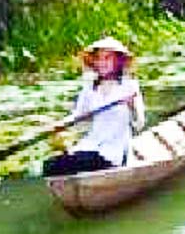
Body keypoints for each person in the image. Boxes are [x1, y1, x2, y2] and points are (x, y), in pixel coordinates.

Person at [43, 37, 146, 176]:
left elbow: (139, 124)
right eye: (99, 58)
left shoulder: (129, 86)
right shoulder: (90, 87)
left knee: (83, 162)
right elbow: (78, 117)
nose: (102, 63)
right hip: (90, 145)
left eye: (108, 58)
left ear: (118, 61)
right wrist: (61, 124)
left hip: (114, 151)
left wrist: (132, 105)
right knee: (50, 165)